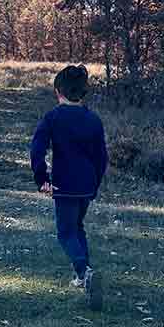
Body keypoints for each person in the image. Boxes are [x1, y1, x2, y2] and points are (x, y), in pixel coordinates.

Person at [30, 65, 108, 309]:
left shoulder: (52, 118)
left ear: (57, 92)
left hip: (64, 184)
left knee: (65, 232)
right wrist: (95, 182)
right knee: (78, 227)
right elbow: (102, 157)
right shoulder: (93, 119)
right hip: (86, 185)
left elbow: (37, 150)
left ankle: (84, 271)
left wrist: (42, 178)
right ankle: (83, 274)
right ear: (83, 93)